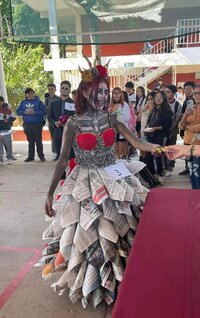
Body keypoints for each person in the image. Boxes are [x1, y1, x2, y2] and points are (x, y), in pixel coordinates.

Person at [41, 60, 161, 308]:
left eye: (107, 91)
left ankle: (124, 278)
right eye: (100, 91)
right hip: (84, 181)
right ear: (85, 92)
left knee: (123, 227)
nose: (105, 96)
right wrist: (50, 193)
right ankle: (92, 284)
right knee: (87, 231)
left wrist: (159, 148)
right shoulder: (73, 123)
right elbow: (63, 159)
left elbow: (137, 143)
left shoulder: (112, 118)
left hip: (114, 176)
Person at [178, 84, 200, 189]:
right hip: (188, 143)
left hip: (198, 145)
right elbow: (181, 126)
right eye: (195, 93)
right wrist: (185, 115)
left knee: (197, 171)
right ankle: (195, 196)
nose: (197, 95)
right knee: (192, 172)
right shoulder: (191, 108)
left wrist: (189, 127)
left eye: (199, 93)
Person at [48, 80, 75, 162]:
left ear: (69, 90)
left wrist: (69, 123)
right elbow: (49, 117)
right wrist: (55, 123)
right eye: (62, 88)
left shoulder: (74, 103)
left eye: (66, 88)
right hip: (58, 130)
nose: (64, 90)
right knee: (59, 154)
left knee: (71, 154)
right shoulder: (53, 103)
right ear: (60, 89)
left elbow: (77, 117)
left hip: (70, 131)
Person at [17, 88, 46, 162]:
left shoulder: (39, 102)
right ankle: (31, 156)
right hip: (27, 125)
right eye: (28, 93)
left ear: (34, 93)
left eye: (31, 93)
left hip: (37, 124)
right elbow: (18, 111)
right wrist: (25, 112)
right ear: (26, 95)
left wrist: (34, 113)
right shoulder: (23, 102)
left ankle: (41, 156)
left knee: (38, 140)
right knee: (30, 141)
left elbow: (44, 112)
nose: (30, 95)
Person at [179, 81, 195, 175]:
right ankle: (187, 168)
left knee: (194, 151)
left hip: (194, 130)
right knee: (186, 150)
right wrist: (183, 116)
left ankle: (193, 169)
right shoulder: (186, 101)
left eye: (189, 88)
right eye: (185, 89)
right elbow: (183, 114)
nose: (187, 90)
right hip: (185, 128)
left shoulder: (196, 101)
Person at [110, 87, 131, 159]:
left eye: (118, 93)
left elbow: (128, 118)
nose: (116, 95)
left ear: (121, 94)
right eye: (114, 93)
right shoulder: (110, 105)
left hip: (122, 129)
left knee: (122, 152)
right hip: (113, 130)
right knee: (115, 151)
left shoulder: (124, 104)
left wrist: (118, 115)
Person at [0, 96, 16, 165]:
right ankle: (0, 160)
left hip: (7, 130)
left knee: (8, 145)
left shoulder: (7, 109)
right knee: (0, 146)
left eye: (1, 101)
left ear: (3, 101)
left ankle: (9, 158)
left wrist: (8, 120)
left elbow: (13, 117)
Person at [44, 84, 59, 158]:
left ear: (55, 90)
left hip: (57, 121)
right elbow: (46, 111)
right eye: (49, 89)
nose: (50, 91)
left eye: (52, 89)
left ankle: (59, 152)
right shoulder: (47, 100)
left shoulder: (58, 99)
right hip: (50, 121)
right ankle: (54, 152)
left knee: (58, 137)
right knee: (53, 137)